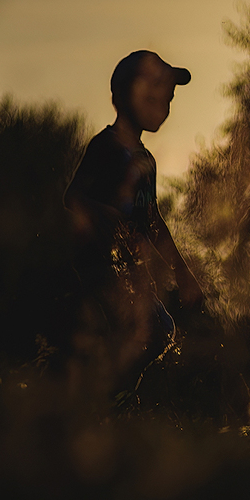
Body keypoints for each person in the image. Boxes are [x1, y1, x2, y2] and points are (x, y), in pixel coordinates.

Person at [64, 49, 204, 392]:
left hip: (129, 272)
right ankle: (102, 399)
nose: (164, 106)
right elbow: (74, 197)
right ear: (124, 96)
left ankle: (112, 398)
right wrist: (110, 221)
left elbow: (151, 221)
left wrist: (182, 272)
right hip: (97, 271)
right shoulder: (105, 148)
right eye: (154, 95)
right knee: (144, 330)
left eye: (168, 99)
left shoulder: (146, 161)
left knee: (159, 331)